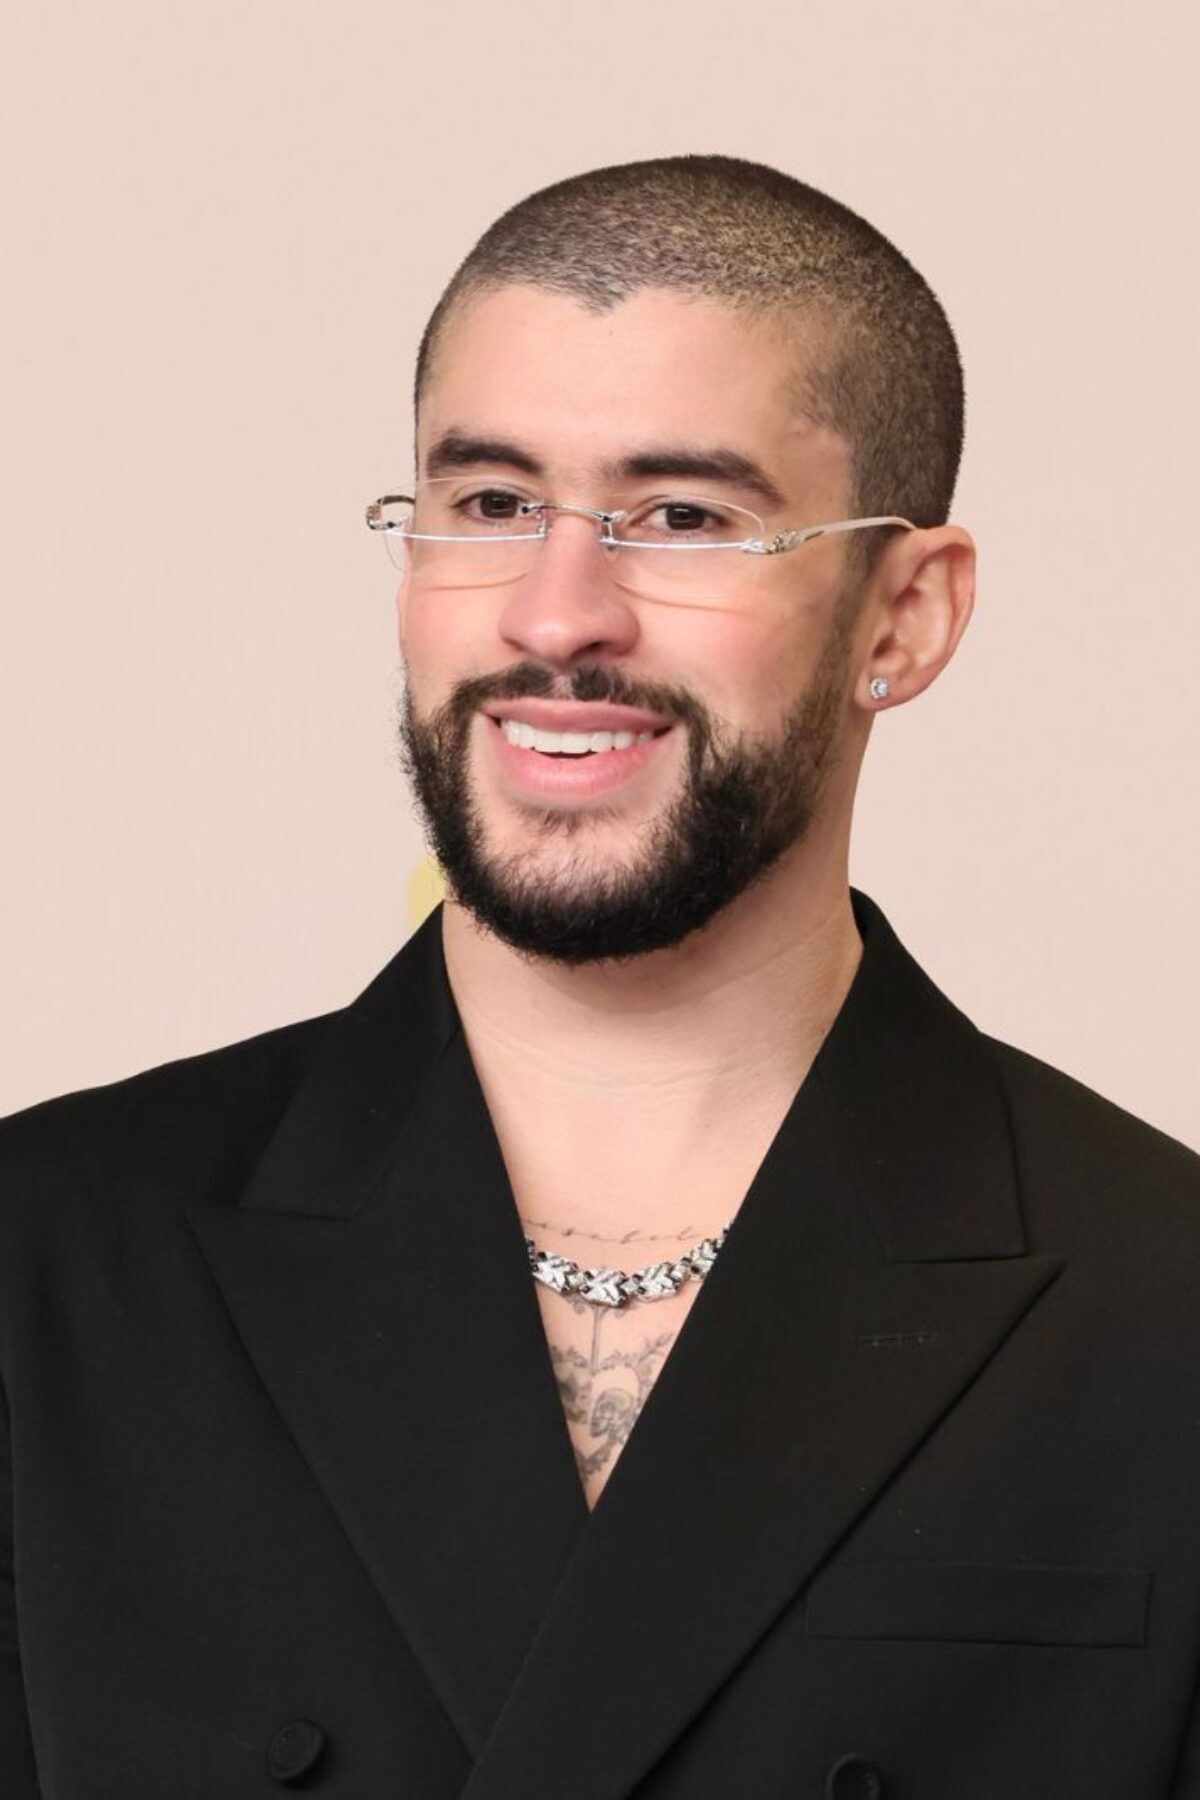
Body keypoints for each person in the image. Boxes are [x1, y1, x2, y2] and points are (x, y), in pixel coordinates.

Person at [1, 154, 1198, 1800]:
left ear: (903, 617)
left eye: (684, 518)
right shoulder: (46, 1259)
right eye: (491, 504)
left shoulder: (1164, 1304)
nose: (559, 616)